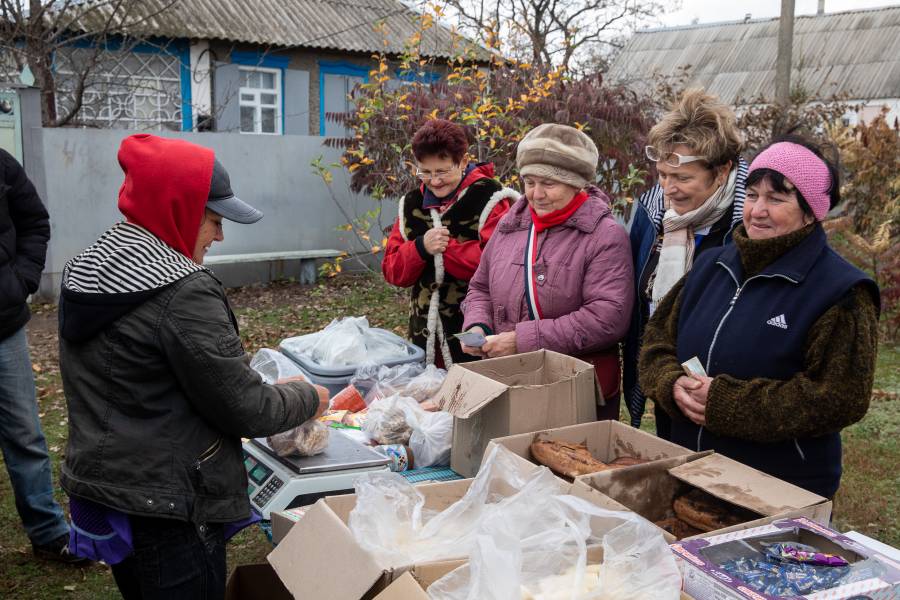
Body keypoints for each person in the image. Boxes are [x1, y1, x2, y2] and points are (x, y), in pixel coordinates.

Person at [58, 134, 328, 599]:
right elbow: (245, 407)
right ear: (177, 209)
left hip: (111, 484)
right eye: (214, 220)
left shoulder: (92, 265)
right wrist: (309, 396)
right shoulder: (182, 290)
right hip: (169, 503)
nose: (220, 236)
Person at [638, 136, 880, 499]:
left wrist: (726, 403)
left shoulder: (841, 291)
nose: (757, 210)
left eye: (776, 198)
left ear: (811, 211)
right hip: (691, 471)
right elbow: (656, 342)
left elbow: (840, 397)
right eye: (751, 196)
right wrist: (670, 383)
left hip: (778, 489)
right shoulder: (711, 265)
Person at [461, 123, 634, 420]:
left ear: (576, 184)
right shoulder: (510, 226)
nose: (535, 194)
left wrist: (521, 340)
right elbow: (481, 288)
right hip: (510, 381)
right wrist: (478, 326)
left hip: (575, 390)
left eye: (549, 184)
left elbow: (607, 318)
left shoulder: (604, 236)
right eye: (529, 182)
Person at [623, 88, 748, 439]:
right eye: (662, 174)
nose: (668, 189)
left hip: (727, 388)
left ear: (722, 171)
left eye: (682, 178)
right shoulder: (652, 214)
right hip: (666, 378)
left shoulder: (747, 226)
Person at [0, 149, 84, 564]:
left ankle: (49, 534)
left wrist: (21, 280)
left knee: (25, 435)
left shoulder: (1, 164)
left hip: (3, 326)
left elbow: (34, 221)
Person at [382, 119, 516, 367]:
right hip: (424, 333)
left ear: (464, 162)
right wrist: (421, 247)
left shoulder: (490, 198)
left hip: (477, 328)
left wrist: (448, 250)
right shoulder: (411, 203)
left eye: (443, 171)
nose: (434, 181)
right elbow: (392, 270)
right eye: (425, 172)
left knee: (476, 395)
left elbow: (501, 265)